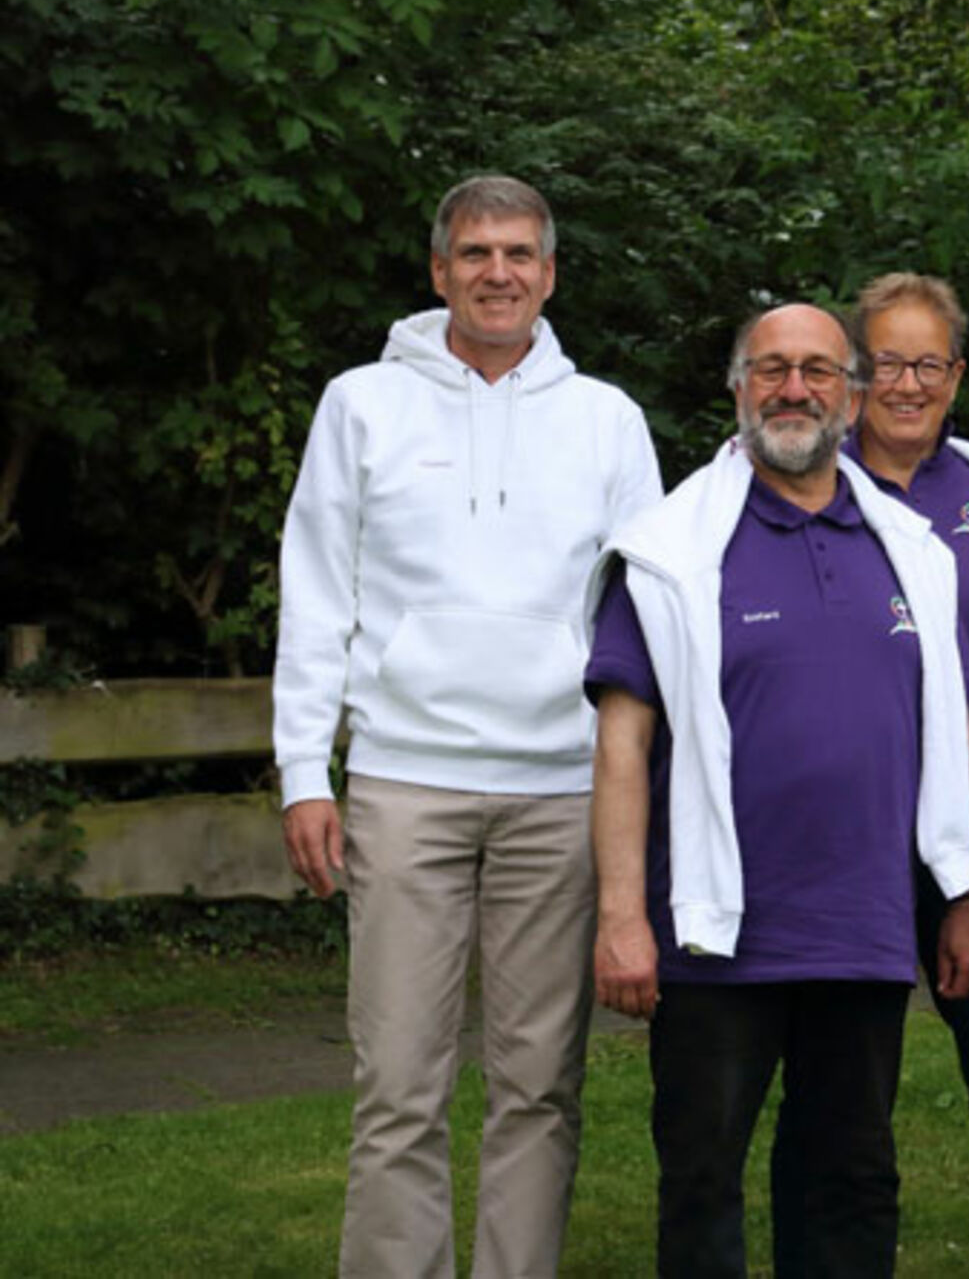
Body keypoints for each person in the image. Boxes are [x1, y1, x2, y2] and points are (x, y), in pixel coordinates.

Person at [273, 174, 663, 1277]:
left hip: (560, 785)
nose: (499, 272)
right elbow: (316, 593)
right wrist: (306, 766)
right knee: (399, 1079)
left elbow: (643, 612)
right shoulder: (361, 403)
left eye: (521, 254)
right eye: (477, 252)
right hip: (406, 780)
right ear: (439, 268)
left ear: (549, 273)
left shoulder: (607, 419)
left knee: (538, 1080)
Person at [585, 302, 969, 1278]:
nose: (794, 387)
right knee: (701, 1180)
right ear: (737, 389)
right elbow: (621, 748)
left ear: (850, 394)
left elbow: (951, 731)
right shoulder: (670, 551)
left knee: (850, 1177)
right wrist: (618, 916)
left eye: (816, 368)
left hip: (861, 925)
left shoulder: (912, 550)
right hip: (714, 930)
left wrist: (966, 893)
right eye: (771, 368)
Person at [773, 271, 969, 1277]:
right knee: (837, 1102)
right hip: (843, 847)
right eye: (886, 360)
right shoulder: (795, 484)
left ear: (958, 374)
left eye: (927, 362)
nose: (907, 382)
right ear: (854, 376)